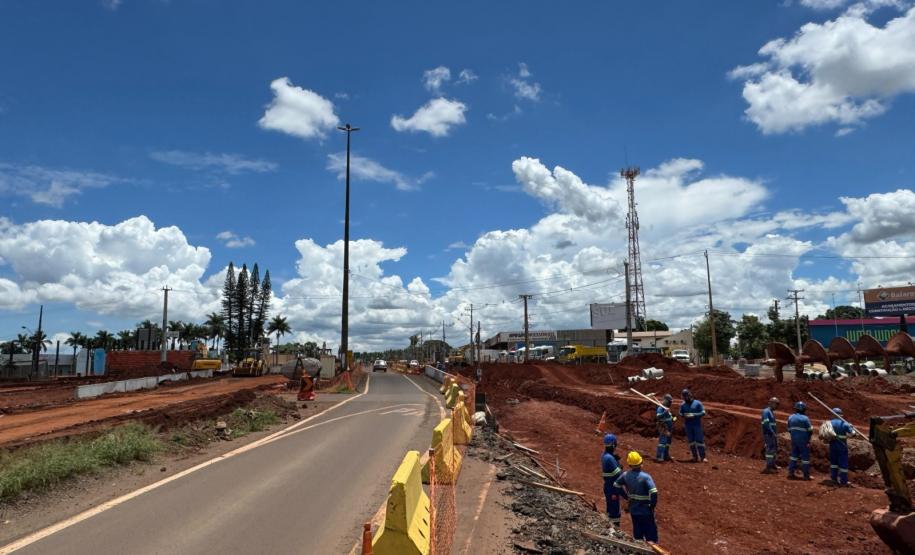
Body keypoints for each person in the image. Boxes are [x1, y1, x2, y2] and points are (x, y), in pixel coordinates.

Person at [614, 451, 659, 543]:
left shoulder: (626, 475)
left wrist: (626, 497)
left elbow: (616, 485)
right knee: (651, 536)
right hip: (646, 511)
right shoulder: (646, 477)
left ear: (629, 464)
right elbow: (654, 492)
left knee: (638, 535)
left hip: (634, 510)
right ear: (641, 463)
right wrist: (652, 506)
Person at [828, 407, 855, 486]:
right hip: (842, 446)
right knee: (843, 464)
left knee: (833, 464)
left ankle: (833, 479)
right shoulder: (844, 424)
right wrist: (851, 427)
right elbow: (853, 433)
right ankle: (843, 481)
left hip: (832, 446)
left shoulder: (829, 423)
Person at [679, 389, 707, 462]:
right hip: (688, 426)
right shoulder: (683, 405)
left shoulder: (698, 403)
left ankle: (703, 457)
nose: (684, 399)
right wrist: (684, 415)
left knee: (699, 441)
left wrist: (693, 415)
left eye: (685, 397)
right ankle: (695, 457)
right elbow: (680, 413)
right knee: (691, 442)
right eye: (683, 397)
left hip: (697, 425)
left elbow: (703, 412)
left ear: (689, 395)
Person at [601, 433, 623, 528]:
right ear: (613, 444)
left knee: (610, 509)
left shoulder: (605, 455)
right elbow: (618, 474)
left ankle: (611, 526)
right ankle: (615, 529)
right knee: (614, 511)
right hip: (612, 487)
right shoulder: (609, 458)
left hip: (608, 486)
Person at [787, 401, 813, 480]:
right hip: (803, 441)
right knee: (805, 459)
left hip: (794, 440)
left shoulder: (790, 417)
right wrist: (808, 439)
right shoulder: (805, 418)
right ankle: (806, 476)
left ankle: (791, 473)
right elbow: (810, 430)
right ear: (804, 410)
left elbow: (789, 429)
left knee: (794, 457)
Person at [761, 397, 780, 473]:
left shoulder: (771, 412)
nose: (777, 406)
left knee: (774, 449)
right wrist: (772, 432)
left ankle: (772, 464)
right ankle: (768, 467)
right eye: (776, 404)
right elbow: (766, 423)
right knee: (770, 449)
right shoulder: (766, 411)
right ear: (771, 403)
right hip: (769, 434)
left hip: (772, 433)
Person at [655, 394, 674, 463]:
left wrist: (673, 418)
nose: (670, 403)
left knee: (668, 442)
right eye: (669, 402)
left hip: (669, 427)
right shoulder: (660, 408)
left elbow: (670, 417)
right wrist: (664, 412)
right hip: (663, 426)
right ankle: (659, 457)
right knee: (663, 442)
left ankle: (666, 455)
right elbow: (658, 416)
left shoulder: (666, 408)